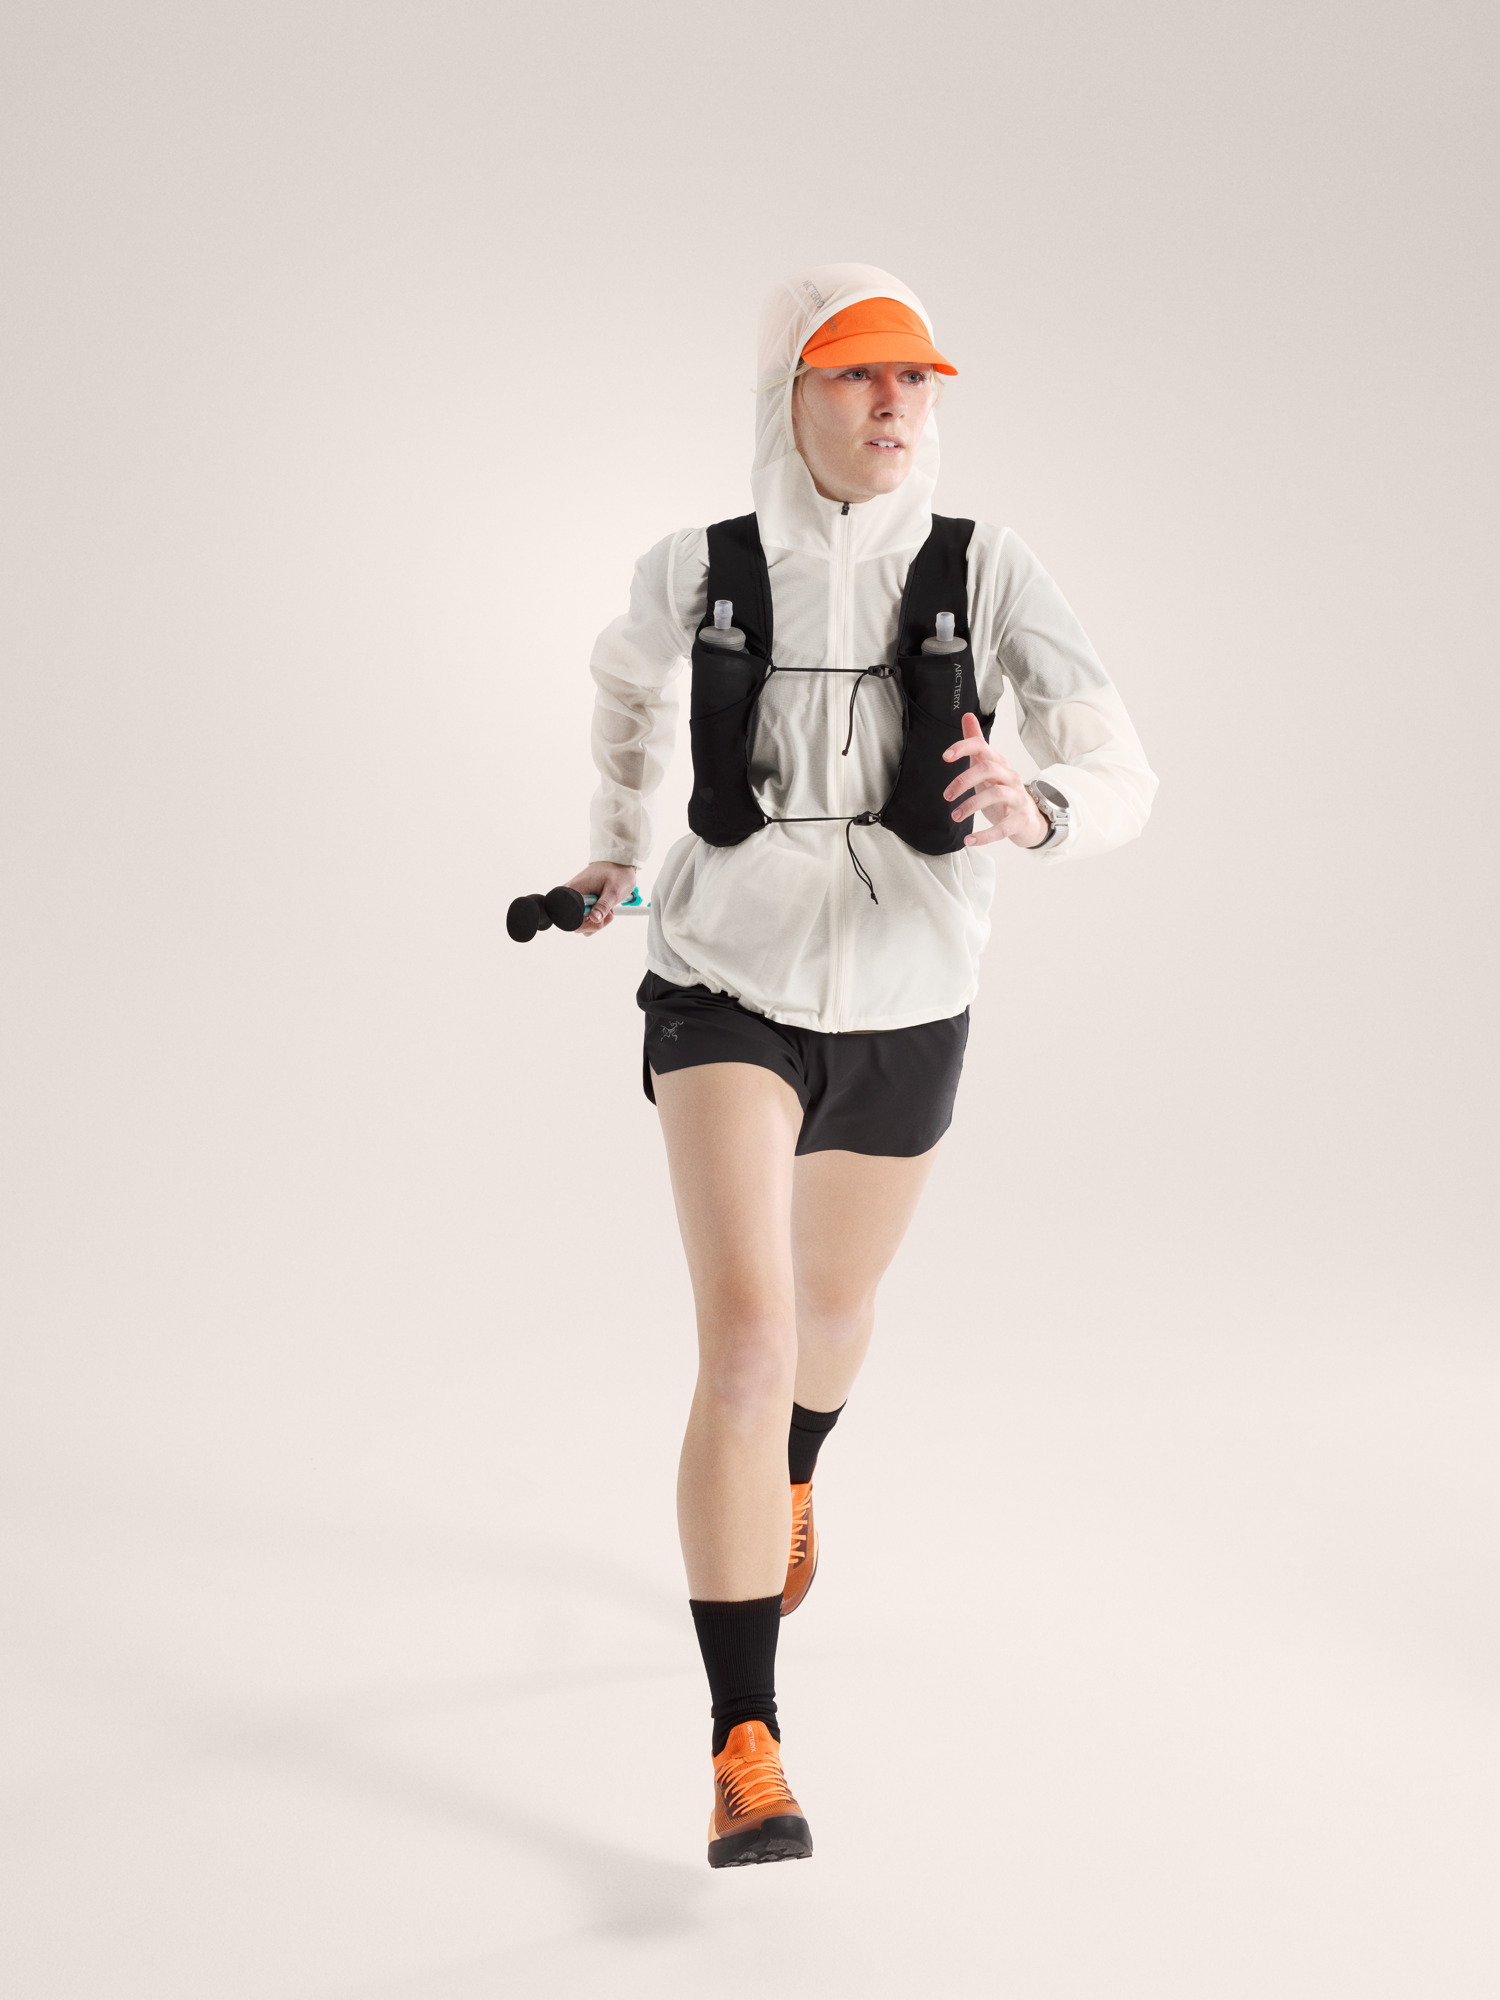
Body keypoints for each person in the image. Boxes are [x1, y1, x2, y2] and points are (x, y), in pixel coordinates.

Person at [564, 264, 1156, 1868]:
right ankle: (743, 1742)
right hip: (723, 984)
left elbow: (1120, 763)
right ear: (792, 398)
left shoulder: (989, 568)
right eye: (856, 375)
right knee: (748, 1342)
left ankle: (796, 1478)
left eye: (916, 379)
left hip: (910, 992)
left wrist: (1038, 806)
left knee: (829, 1322)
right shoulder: (698, 566)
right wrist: (611, 848)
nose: (895, 403)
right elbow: (624, 683)